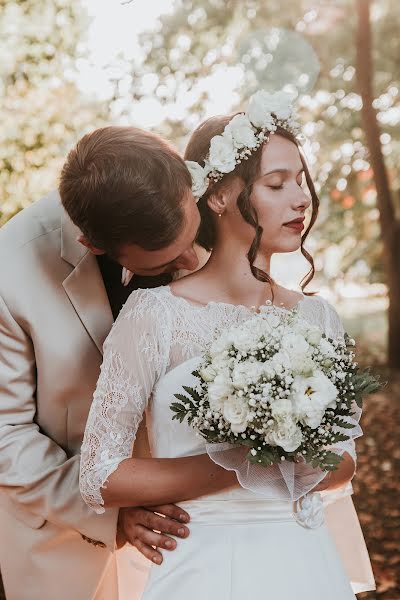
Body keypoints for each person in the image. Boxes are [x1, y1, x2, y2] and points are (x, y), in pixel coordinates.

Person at [79, 93, 373, 598]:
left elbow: (343, 461)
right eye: (276, 184)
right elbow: (100, 476)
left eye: (301, 181)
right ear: (217, 195)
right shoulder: (155, 315)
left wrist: (290, 446)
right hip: (200, 563)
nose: (300, 198)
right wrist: (245, 462)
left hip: (304, 561)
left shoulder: (316, 316)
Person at [0, 126, 208, 600]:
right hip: (62, 545)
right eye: (167, 262)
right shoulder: (7, 274)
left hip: (192, 539)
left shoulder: (174, 193)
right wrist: (112, 514)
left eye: (192, 238)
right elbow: (5, 437)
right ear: (96, 247)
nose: (193, 261)